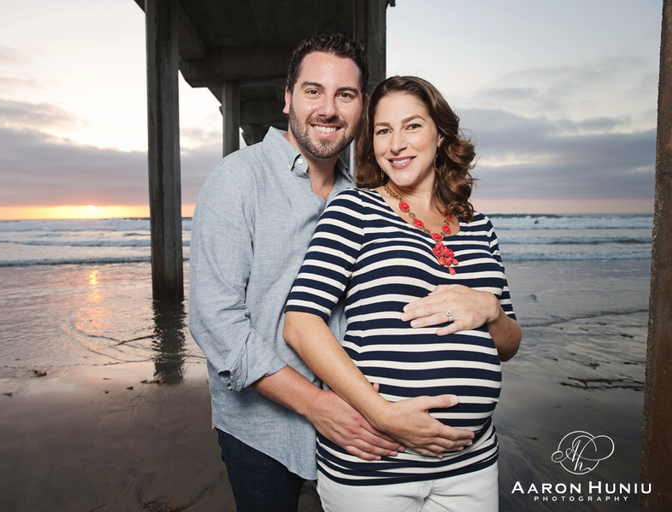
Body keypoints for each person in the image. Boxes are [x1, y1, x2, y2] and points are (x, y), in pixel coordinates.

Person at [189, 36, 474, 512]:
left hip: (364, 427)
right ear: (287, 98)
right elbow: (216, 322)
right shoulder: (238, 179)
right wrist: (317, 405)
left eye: (345, 94)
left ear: (362, 108)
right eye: (313, 91)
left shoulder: (367, 196)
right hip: (266, 433)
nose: (328, 108)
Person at [283, 76, 522, 512]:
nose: (396, 144)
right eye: (383, 130)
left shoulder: (479, 228)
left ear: (441, 134)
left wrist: (489, 309)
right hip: (377, 467)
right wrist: (382, 413)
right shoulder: (354, 210)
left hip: (471, 464)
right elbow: (300, 324)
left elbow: (508, 345)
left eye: (412, 126)